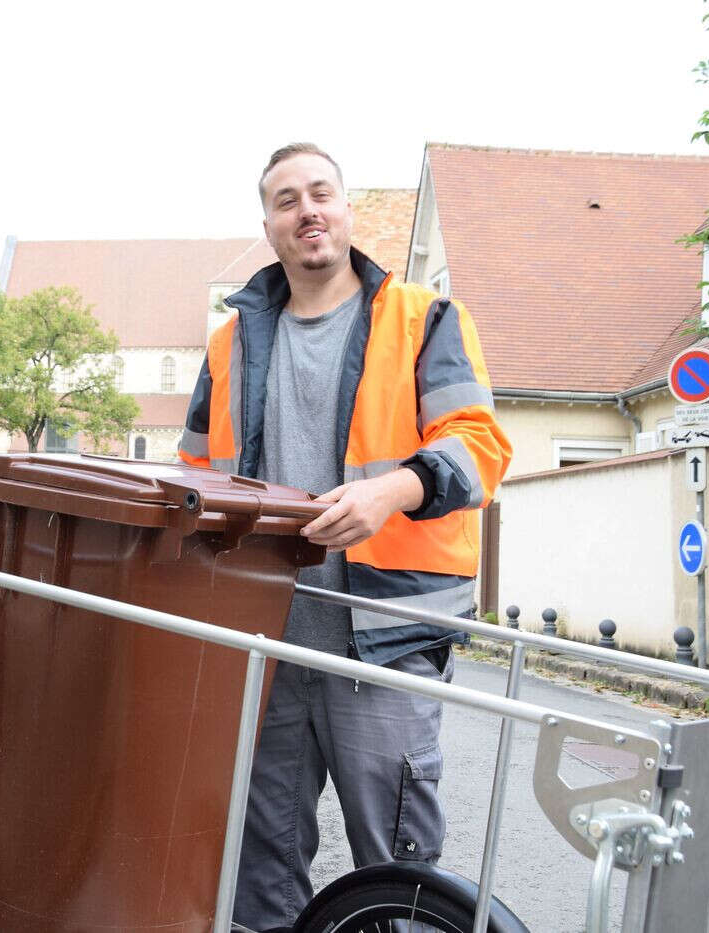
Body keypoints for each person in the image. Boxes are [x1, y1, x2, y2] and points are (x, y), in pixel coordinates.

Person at [178, 142, 512, 930]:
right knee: (260, 859)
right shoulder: (229, 344)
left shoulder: (424, 318)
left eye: (320, 193)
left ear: (348, 209)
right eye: (287, 200)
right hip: (264, 643)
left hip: (386, 642)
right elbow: (192, 472)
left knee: (397, 869)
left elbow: (480, 446)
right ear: (269, 225)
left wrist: (391, 489)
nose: (307, 211)